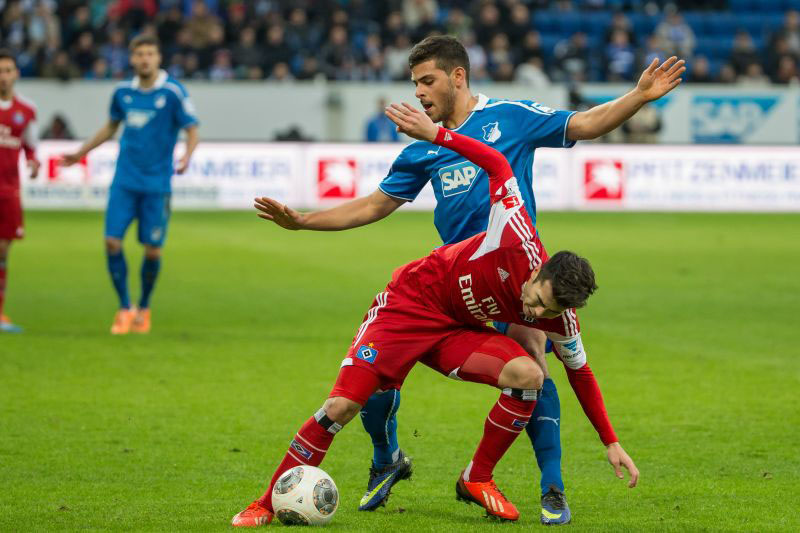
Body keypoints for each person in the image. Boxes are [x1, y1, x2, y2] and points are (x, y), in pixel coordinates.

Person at [251, 35, 682, 524]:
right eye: (414, 84)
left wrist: (639, 96)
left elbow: (582, 124)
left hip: (522, 279)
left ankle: (551, 486)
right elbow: (373, 206)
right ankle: (386, 455)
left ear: (458, 76)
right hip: (450, 285)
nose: (419, 93)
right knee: (375, 385)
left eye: (427, 81)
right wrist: (304, 221)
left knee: (535, 364)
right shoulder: (422, 149)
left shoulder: (511, 117)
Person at [61, 35, 199, 334]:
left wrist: (188, 155)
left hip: (156, 184)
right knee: (112, 241)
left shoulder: (174, 92)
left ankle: (144, 308)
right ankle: (125, 307)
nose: (145, 59)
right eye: (140, 54)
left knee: (152, 251)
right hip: (124, 181)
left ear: (158, 57)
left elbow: (192, 128)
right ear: (132, 59)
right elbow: (111, 126)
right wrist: (80, 152)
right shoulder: (122, 92)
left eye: (150, 53)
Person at [0, 49, 40, 333]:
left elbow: (30, 145)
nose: (3, 76)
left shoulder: (27, 111)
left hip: (9, 191)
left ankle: (0, 313)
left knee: (3, 251)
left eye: (8, 70)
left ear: (17, 74)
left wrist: (34, 161)